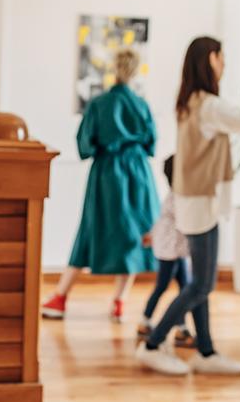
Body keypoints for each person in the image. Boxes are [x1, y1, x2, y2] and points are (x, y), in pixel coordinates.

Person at [135, 36, 240, 375]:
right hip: (199, 205)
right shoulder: (209, 106)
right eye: (221, 56)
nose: (225, 62)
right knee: (202, 285)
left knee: (200, 282)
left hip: (195, 203)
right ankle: (153, 344)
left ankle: (206, 351)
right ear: (209, 59)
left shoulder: (190, 101)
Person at [41, 47, 159, 322]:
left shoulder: (98, 104)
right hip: (138, 173)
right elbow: (151, 144)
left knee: (90, 230)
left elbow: (84, 144)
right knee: (135, 234)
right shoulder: (141, 105)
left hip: (107, 173)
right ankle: (120, 300)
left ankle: (61, 296)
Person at [136, 155, 196, 349]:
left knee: (184, 289)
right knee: (164, 287)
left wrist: (151, 235)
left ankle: (180, 327)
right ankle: (146, 321)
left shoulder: (175, 196)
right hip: (170, 251)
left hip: (175, 250)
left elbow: (163, 222)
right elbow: (178, 223)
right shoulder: (179, 198)